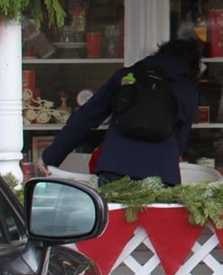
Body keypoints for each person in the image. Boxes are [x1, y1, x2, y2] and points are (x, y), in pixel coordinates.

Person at [40, 36, 202, 186]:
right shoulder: (186, 92)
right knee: (155, 218)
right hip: (162, 174)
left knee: (112, 217)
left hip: (115, 168)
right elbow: (180, 143)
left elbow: (86, 118)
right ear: (192, 67)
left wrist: (51, 157)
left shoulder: (125, 76)